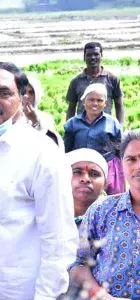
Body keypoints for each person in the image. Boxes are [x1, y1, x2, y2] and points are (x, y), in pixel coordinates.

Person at [0, 62, 78, 299]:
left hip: (14, 293)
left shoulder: (42, 154)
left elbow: (59, 242)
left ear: (22, 98)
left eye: (4, 93)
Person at [69, 129, 140, 300]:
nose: (138, 166)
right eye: (131, 159)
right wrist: (98, 294)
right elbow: (78, 262)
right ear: (121, 164)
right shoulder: (102, 210)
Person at [64, 83, 123, 195]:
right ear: (83, 101)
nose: (95, 103)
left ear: (105, 104)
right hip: (81, 169)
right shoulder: (72, 124)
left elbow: (119, 149)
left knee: (109, 200)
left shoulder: (112, 123)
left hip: (108, 169)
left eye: (99, 100)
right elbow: (67, 149)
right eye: (91, 99)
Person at [66, 42, 124, 125]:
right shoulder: (76, 81)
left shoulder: (112, 79)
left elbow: (119, 105)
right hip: (82, 128)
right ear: (84, 57)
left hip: (105, 127)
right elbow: (71, 108)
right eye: (89, 55)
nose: (92, 57)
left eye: (96, 54)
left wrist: (120, 127)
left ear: (101, 57)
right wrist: (69, 128)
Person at [66, 148, 108, 226]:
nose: (85, 179)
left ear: (105, 184)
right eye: (77, 172)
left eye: (95, 174)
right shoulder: (43, 214)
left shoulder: (115, 219)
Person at [23, 76, 64, 148]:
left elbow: (51, 145)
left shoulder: (46, 118)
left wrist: (35, 121)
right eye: (23, 92)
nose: (26, 96)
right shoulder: (11, 117)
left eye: (31, 92)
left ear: (37, 95)